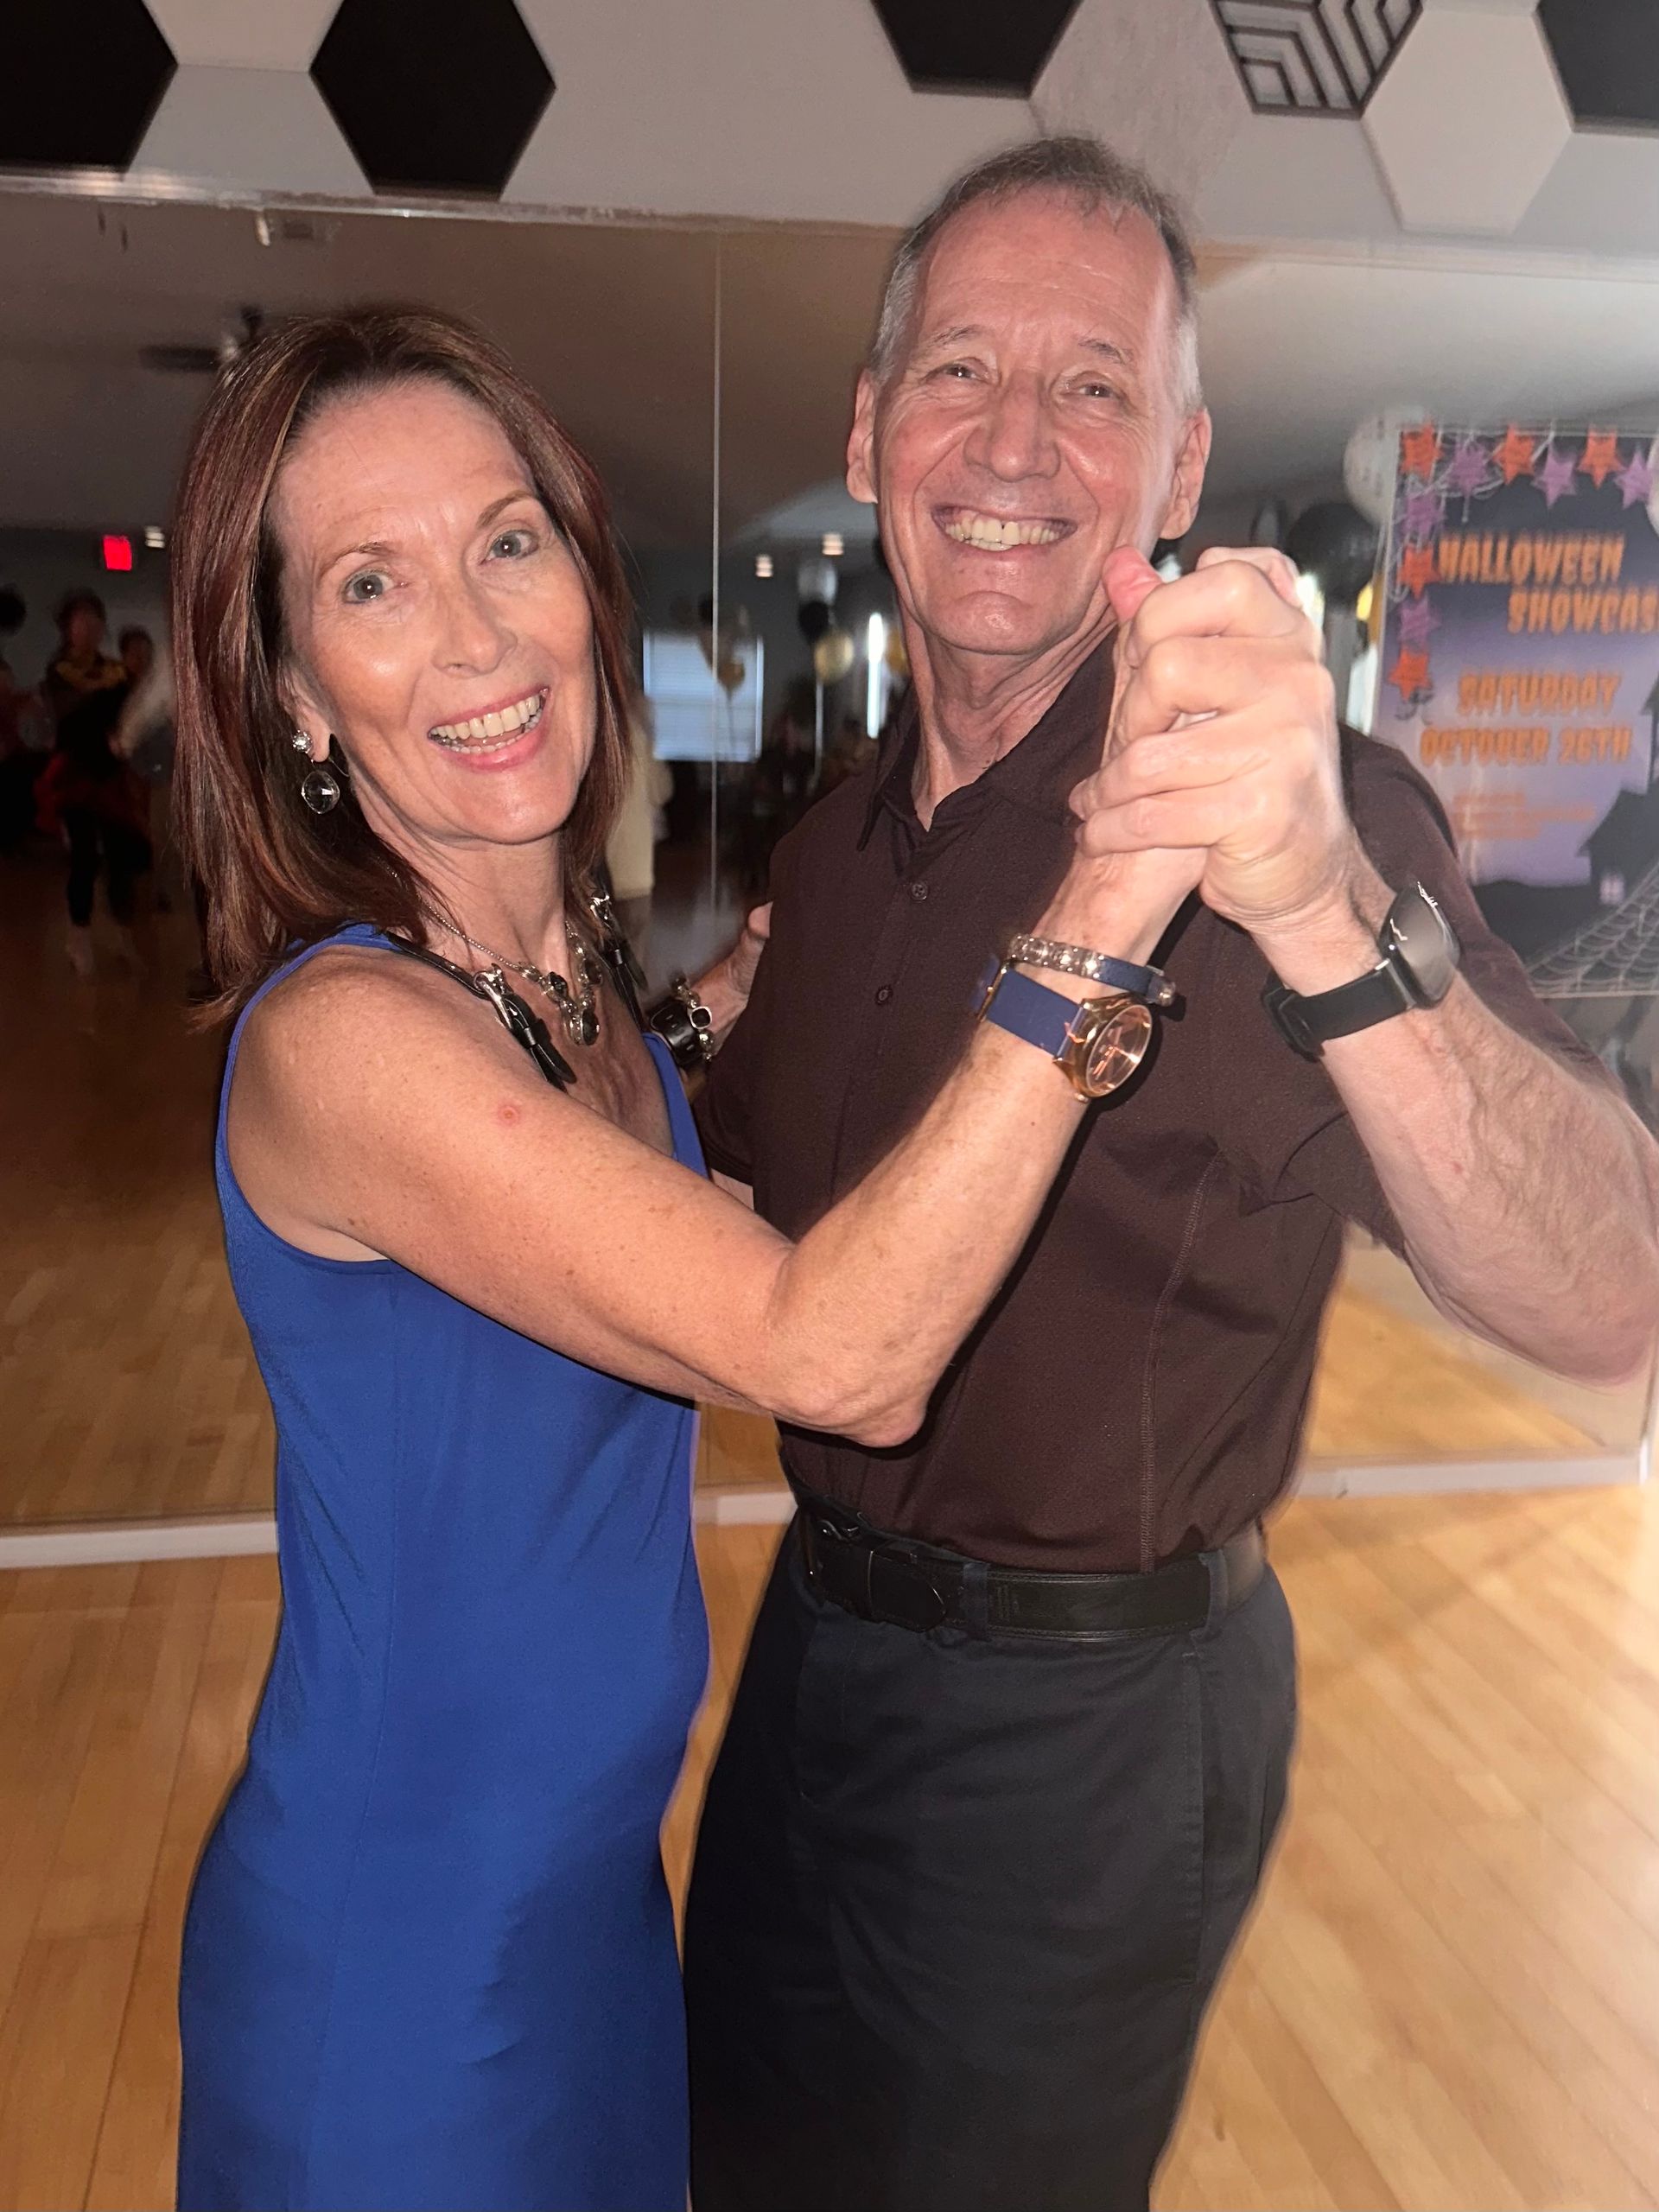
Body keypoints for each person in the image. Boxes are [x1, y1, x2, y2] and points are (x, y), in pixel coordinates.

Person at [683, 137, 1659, 2212]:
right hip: (813, 1648)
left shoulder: (1289, 814)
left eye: (1096, 387)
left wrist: (1317, 907)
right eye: (957, 369)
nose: (1014, 440)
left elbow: (1609, 1294)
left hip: (1089, 1722)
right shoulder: (841, 852)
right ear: (868, 430)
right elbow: (735, 1175)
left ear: (1181, 458)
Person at [165, 303, 1196, 2212]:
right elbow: (836, 1349)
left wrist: (711, 1006)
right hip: (400, 1972)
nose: (476, 637)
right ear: (293, 692)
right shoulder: (340, 1041)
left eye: (507, 539)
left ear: (579, 567)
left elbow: (603, 1102)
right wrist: (1116, 886)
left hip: (598, 1921)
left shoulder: (565, 997)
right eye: (374, 583)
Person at [36, 589, 148, 975]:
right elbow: (73, 719)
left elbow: (128, 718)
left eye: (94, 620)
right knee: (84, 857)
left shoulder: (115, 672)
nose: (89, 628)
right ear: (67, 628)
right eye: (80, 621)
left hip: (110, 778)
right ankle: (78, 937)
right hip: (74, 777)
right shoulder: (59, 674)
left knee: (120, 857)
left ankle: (122, 933)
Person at [602, 682, 671, 971]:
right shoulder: (641, 742)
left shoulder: (599, 736)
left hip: (600, 868)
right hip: (635, 867)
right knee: (634, 950)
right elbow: (663, 790)